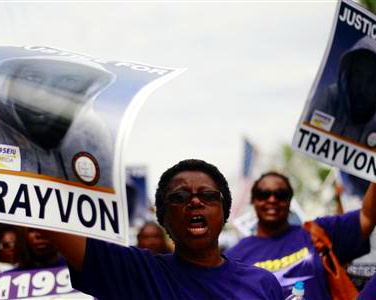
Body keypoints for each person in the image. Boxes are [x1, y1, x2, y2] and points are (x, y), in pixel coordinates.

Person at [42, 159, 284, 299]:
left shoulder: (263, 283)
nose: (195, 202)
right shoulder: (138, 274)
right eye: (179, 197)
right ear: (163, 217)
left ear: (225, 211)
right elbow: (50, 221)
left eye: (208, 195)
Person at [225, 171, 376, 299]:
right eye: (263, 194)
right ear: (254, 200)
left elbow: (367, 217)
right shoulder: (233, 257)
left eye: (280, 194)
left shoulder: (318, 231)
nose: (272, 199)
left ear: (290, 201)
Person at [0, 56, 116, 187]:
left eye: (68, 81)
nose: (41, 95)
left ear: (85, 88)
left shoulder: (91, 133)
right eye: (32, 77)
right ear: (11, 79)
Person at [306, 36, 376, 148]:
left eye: (372, 80)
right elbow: (308, 142)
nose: (362, 88)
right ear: (348, 75)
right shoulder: (329, 98)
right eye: (358, 76)